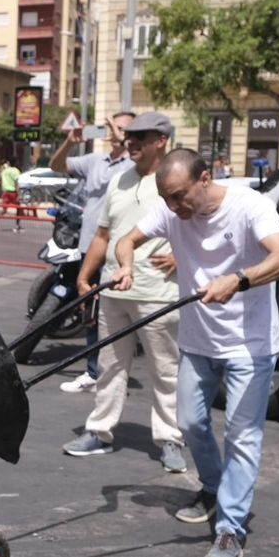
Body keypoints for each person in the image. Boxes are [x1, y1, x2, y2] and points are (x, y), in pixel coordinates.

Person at [110, 148, 279, 557]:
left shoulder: (252, 207)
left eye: (179, 196)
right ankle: (214, 489)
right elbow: (126, 240)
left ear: (205, 178)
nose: (174, 208)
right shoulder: (171, 211)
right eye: (167, 199)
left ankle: (231, 529)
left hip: (249, 346)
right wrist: (125, 266)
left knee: (242, 435)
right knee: (192, 423)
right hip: (198, 341)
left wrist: (238, 279)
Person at [62, 112, 185, 474]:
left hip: (158, 293)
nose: (129, 142)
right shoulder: (118, 181)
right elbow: (103, 235)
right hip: (114, 290)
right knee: (110, 367)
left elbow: (201, 228)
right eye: (128, 136)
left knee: (165, 371)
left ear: (161, 140)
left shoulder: (176, 180)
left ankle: (170, 439)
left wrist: (182, 255)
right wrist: (85, 278)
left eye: (139, 137)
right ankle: (99, 432)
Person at [50, 111, 135, 393]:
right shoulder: (95, 161)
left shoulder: (135, 164)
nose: (112, 131)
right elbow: (57, 165)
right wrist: (70, 143)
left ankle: (114, 376)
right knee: (92, 311)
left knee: (119, 315)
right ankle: (93, 372)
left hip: (120, 251)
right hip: (90, 246)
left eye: (120, 128)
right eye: (110, 126)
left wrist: (122, 136)